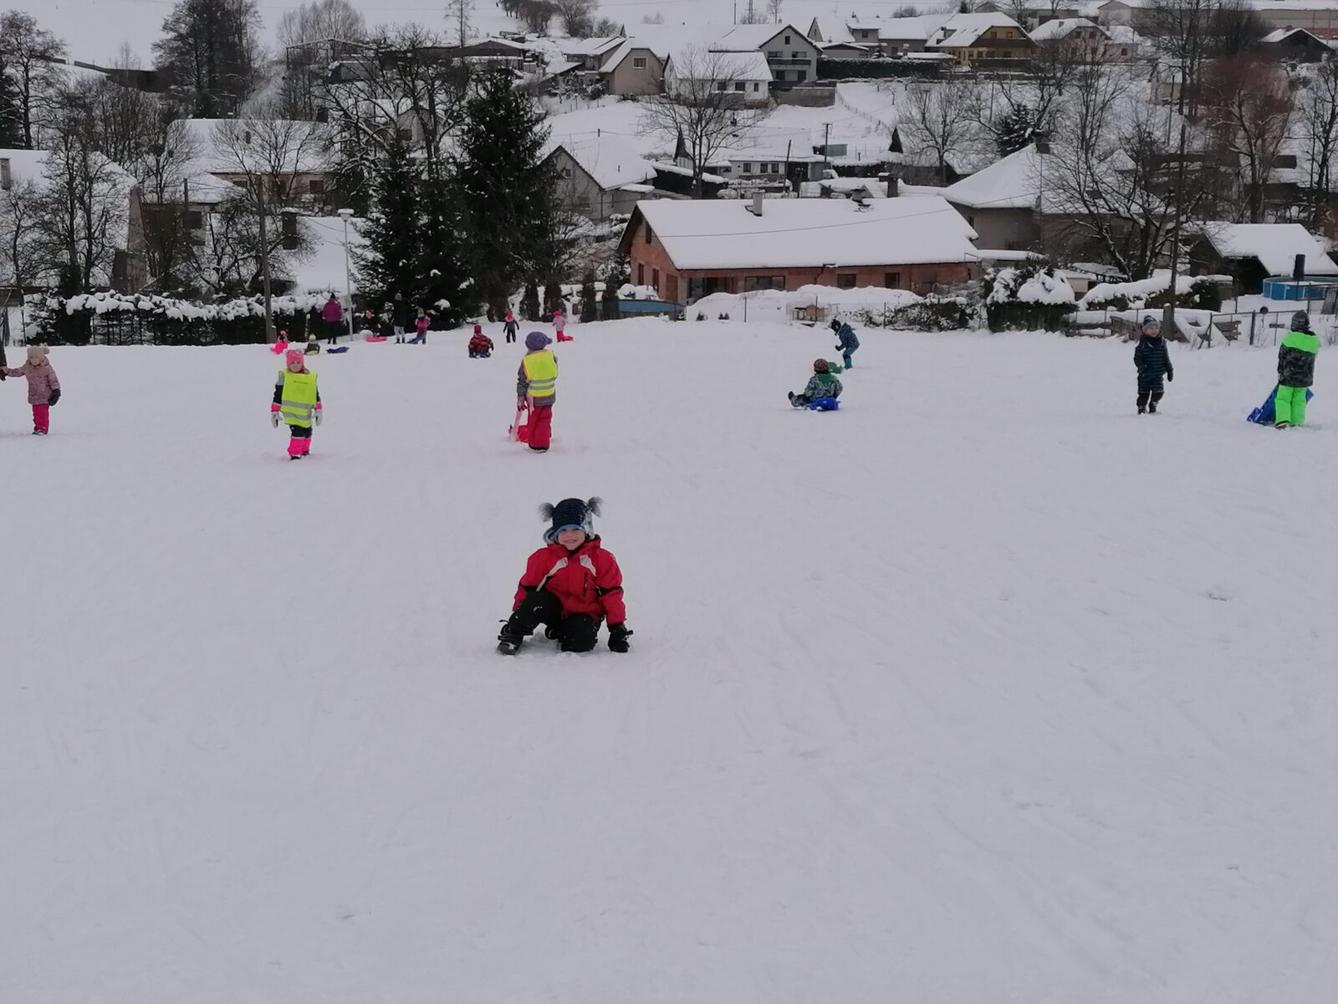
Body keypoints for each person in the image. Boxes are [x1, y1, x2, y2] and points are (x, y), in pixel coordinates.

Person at [496, 497, 632, 656]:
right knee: (536, 601)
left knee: (580, 643)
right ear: (555, 533)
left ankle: (559, 632)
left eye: (575, 529)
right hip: (554, 609)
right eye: (563, 530)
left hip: (584, 614)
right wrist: (519, 616)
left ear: (587, 530)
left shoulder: (602, 559)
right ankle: (512, 635)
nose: (569, 535)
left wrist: (617, 628)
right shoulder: (543, 558)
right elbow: (528, 587)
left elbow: (611, 594)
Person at [271, 348, 323, 460]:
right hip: (292, 414)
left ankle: (304, 450)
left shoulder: (310, 377)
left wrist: (318, 409)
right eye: (292, 362)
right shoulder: (285, 376)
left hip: (305, 413)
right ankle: (295, 454)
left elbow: (315, 394)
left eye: (298, 362)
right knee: (298, 433)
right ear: (288, 364)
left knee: (307, 431)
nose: (295, 365)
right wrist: (275, 410)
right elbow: (278, 394)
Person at [3, 344, 61, 435]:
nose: (34, 360)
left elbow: (53, 380)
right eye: (31, 358)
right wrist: (6, 371)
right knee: (36, 414)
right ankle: (37, 428)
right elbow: (17, 372)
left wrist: (56, 391)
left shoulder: (46, 368)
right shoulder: (27, 367)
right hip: (34, 395)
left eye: (36, 358)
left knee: (42, 414)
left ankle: (42, 429)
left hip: (45, 396)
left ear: (41, 358)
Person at [1275, 310, 1319, 429]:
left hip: (1288, 375)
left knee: (1283, 398)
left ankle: (1282, 420)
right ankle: (1297, 422)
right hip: (1304, 377)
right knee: (1299, 400)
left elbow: (1282, 357)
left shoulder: (1289, 339)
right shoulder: (1313, 341)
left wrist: (1280, 371)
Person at [517, 331, 558, 452]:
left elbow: (522, 381)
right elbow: (554, 373)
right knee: (545, 418)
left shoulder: (527, 361)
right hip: (549, 395)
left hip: (534, 399)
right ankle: (545, 435)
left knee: (534, 420)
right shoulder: (551, 356)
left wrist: (520, 397)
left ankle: (538, 444)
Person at [1134, 314, 1174, 414]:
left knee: (1159, 392)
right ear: (1145, 330)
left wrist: (1169, 370)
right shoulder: (1143, 344)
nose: (1154, 330)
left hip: (1157, 374)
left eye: (1156, 328)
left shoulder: (1162, 343)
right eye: (1151, 328)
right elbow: (1137, 358)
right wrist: (1142, 367)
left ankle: (1153, 403)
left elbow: (1165, 358)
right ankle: (1141, 407)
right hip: (1145, 375)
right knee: (1143, 393)